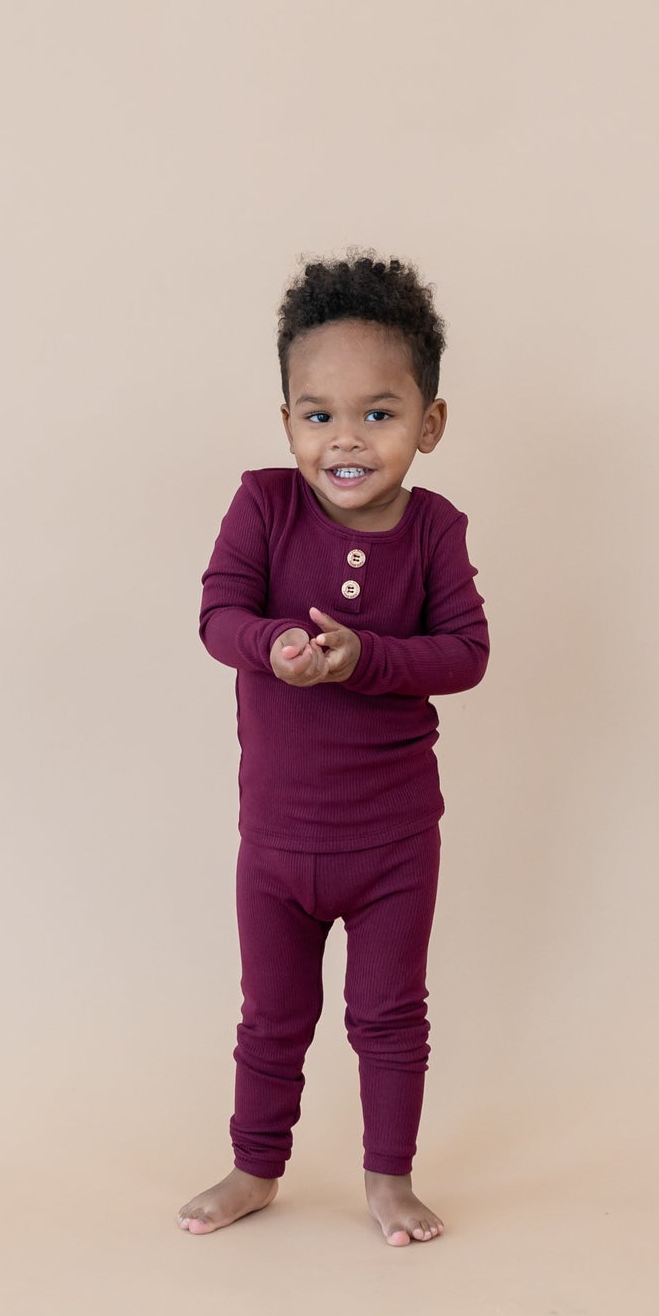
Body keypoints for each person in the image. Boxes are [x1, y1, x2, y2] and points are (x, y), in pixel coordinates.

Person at [177, 253, 490, 1246]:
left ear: (429, 423)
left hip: (395, 842)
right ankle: (253, 1167)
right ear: (285, 423)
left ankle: (388, 1179)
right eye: (318, 415)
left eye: (379, 414)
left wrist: (364, 660)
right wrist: (271, 644)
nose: (346, 440)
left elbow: (465, 654)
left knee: (389, 1015)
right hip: (276, 842)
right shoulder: (263, 508)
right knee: (272, 1018)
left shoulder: (436, 532)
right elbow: (217, 614)